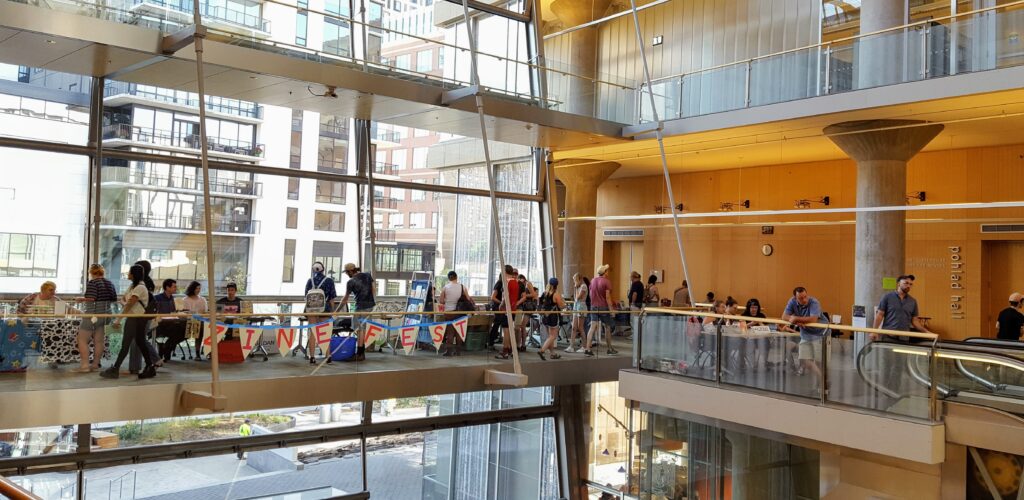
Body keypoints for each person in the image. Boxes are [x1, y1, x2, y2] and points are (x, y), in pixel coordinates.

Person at [101, 264, 157, 380]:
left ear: (134, 274)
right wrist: (126, 303)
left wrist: (118, 319)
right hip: (134, 318)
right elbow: (124, 300)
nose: (128, 274)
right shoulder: (133, 287)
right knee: (138, 343)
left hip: (137, 319)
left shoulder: (139, 288)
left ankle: (116, 368)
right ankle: (149, 366)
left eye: (129, 272)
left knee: (129, 343)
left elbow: (128, 304)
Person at [72, 264, 118, 373]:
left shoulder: (93, 283)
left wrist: (80, 299)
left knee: (82, 339)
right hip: (106, 315)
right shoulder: (109, 283)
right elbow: (114, 299)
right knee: (99, 341)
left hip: (93, 314)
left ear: (91, 273)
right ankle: (95, 364)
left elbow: (91, 298)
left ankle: (84, 366)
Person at [783, 287, 825, 382]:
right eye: (801, 298)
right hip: (806, 334)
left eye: (805, 296)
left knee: (819, 362)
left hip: (820, 334)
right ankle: (822, 381)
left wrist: (795, 318)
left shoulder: (814, 302)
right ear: (795, 298)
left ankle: (822, 384)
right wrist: (796, 321)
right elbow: (784, 316)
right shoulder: (792, 302)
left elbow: (813, 319)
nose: (804, 300)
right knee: (804, 360)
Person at [872, 274, 931, 340]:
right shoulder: (887, 297)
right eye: (906, 283)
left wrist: (926, 332)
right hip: (888, 336)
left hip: (904, 337)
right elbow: (879, 315)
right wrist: (874, 331)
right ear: (898, 284)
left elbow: (915, 321)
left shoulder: (913, 301)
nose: (909, 286)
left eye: (911, 284)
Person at [339, 263, 375, 362]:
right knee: (362, 330)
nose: (347, 274)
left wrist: (336, 311)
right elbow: (373, 290)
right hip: (370, 306)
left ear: (350, 271)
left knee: (359, 330)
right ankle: (361, 353)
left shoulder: (351, 282)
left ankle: (359, 354)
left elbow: (345, 299)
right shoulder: (368, 275)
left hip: (360, 307)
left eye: (347, 272)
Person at [305, 262, 338, 364]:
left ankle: (312, 357)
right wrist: (332, 311)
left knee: (313, 333)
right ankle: (328, 356)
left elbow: (306, 296)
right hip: (325, 309)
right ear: (323, 269)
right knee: (326, 332)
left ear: (313, 270)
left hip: (311, 310)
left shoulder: (310, 281)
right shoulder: (329, 281)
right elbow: (332, 298)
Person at [584, 264, 618, 356]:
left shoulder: (593, 280)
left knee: (592, 327)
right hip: (603, 307)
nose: (608, 272)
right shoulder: (607, 282)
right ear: (605, 272)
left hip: (593, 306)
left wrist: (593, 304)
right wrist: (611, 310)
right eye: (607, 271)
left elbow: (590, 294)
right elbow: (607, 297)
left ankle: (587, 348)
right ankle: (609, 348)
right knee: (607, 327)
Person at [439, 271, 474, 356]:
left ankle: (449, 351)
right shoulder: (462, 287)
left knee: (450, 332)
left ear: (448, 278)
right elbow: (468, 299)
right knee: (459, 331)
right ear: (456, 277)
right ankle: (458, 350)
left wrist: (448, 301)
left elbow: (441, 301)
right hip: (460, 312)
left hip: (449, 312)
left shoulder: (445, 288)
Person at [491, 264, 520, 360]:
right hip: (513, 309)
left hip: (506, 310)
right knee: (509, 330)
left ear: (504, 272)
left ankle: (505, 350)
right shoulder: (516, 282)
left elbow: (505, 296)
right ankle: (509, 349)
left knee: (506, 331)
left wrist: (501, 305)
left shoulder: (507, 282)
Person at [537, 278, 566, 360]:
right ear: (557, 285)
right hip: (553, 316)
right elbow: (560, 306)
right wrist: (565, 305)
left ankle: (553, 354)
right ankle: (542, 351)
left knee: (550, 336)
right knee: (553, 336)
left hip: (545, 316)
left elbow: (540, 303)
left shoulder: (544, 293)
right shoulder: (556, 294)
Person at [181, 281, 209, 360]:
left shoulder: (202, 299)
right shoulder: (185, 300)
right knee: (199, 328)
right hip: (187, 321)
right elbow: (183, 312)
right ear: (192, 288)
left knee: (201, 328)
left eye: (199, 288)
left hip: (200, 321)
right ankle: (198, 352)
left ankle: (198, 352)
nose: (198, 290)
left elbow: (205, 312)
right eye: (197, 288)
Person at [566, 273, 588, 353]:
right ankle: (571, 346)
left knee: (580, 327)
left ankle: (584, 346)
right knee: (574, 327)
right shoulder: (579, 286)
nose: (574, 282)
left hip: (581, 307)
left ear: (579, 279)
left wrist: (575, 288)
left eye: (575, 280)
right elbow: (575, 299)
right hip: (576, 306)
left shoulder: (583, 286)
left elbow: (578, 297)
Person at [515, 274, 537, 352]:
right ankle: (521, 344)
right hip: (524, 305)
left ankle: (523, 344)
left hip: (529, 306)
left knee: (522, 326)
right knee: (521, 326)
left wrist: (524, 295)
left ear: (523, 279)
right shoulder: (521, 284)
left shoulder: (528, 284)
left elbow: (534, 294)